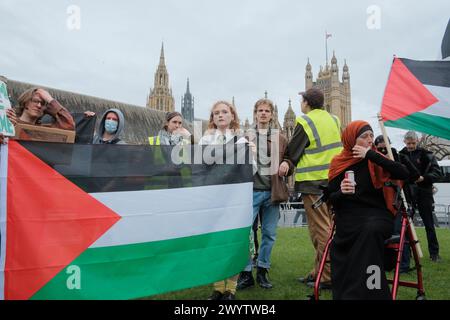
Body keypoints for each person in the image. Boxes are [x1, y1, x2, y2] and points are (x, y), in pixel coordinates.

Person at [327, 120, 409, 300]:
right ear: (351, 139)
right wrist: (341, 192)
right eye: (364, 136)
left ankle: (372, 293)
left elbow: (404, 173)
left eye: (371, 136)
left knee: (369, 231)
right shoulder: (338, 163)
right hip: (348, 217)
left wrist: (371, 155)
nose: (370, 139)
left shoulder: (376, 159)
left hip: (377, 214)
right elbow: (331, 199)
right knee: (348, 238)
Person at [278, 87, 342, 289]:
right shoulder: (334, 119)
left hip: (314, 184)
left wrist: (286, 164)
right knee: (328, 228)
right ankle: (318, 270)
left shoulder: (305, 121)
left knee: (320, 231)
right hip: (334, 182)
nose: (301, 104)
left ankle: (328, 276)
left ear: (306, 102)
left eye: (302, 100)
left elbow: (294, 148)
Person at [199, 100, 252, 301]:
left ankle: (231, 288)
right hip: (212, 197)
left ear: (232, 116)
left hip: (234, 199)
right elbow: (201, 167)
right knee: (215, 242)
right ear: (212, 118)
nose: (220, 115)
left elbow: (251, 171)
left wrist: (250, 154)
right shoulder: (205, 140)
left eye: (224, 112)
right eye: (216, 113)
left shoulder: (241, 140)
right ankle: (218, 287)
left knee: (234, 242)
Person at [236, 98, 289, 291]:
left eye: (267, 110)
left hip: (272, 193)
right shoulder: (244, 137)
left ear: (272, 114)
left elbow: (290, 159)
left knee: (269, 234)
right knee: (245, 234)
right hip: (250, 193)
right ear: (255, 114)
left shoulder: (281, 138)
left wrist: (288, 165)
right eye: (260, 110)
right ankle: (246, 272)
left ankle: (263, 271)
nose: (264, 113)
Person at [399, 131, 442, 262]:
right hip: (407, 193)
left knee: (429, 224)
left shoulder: (426, 154)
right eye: (408, 143)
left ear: (417, 141)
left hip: (424, 192)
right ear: (404, 142)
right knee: (405, 225)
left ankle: (434, 253)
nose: (411, 146)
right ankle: (407, 254)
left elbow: (437, 173)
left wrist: (424, 178)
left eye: (413, 143)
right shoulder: (401, 155)